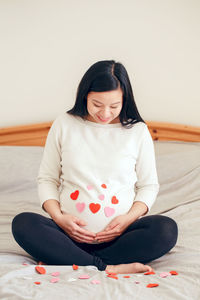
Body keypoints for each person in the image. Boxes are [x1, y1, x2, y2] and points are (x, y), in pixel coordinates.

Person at [12, 60, 178, 274]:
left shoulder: (137, 131)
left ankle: (71, 260)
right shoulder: (65, 124)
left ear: (125, 99)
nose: (105, 113)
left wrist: (126, 220)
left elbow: (148, 186)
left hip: (120, 238)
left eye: (114, 106)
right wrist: (60, 219)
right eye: (97, 104)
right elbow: (47, 179)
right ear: (85, 96)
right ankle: (106, 266)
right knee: (23, 224)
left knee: (166, 229)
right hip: (68, 236)